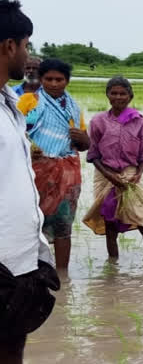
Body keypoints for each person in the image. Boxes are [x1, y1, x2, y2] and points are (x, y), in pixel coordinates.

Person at [0, 0, 60, 364]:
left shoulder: (9, 104)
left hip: (17, 256)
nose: (29, 55)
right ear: (8, 47)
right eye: (25, 45)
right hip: (1, 259)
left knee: (8, 346)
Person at [16, 58, 89, 271]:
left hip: (67, 175)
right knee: (32, 224)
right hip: (34, 172)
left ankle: (61, 276)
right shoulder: (28, 101)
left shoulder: (74, 108)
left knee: (63, 225)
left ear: (67, 81)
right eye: (49, 79)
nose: (54, 83)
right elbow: (14, 133)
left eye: (59, 79)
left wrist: (82, 138)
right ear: (41, 79)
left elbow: (84, 145)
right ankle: (31, 271)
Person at [82, 76, 143, 258]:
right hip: (104, 173)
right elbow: (93, 155)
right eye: (113, 93)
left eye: (123, 93)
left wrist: (138, 174)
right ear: (107, 95)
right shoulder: (98, 121)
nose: (118, 97)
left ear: (130, 96)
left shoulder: (139, 121)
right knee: (110, 221)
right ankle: (113, 265)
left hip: (130, 175)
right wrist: (110, 176)